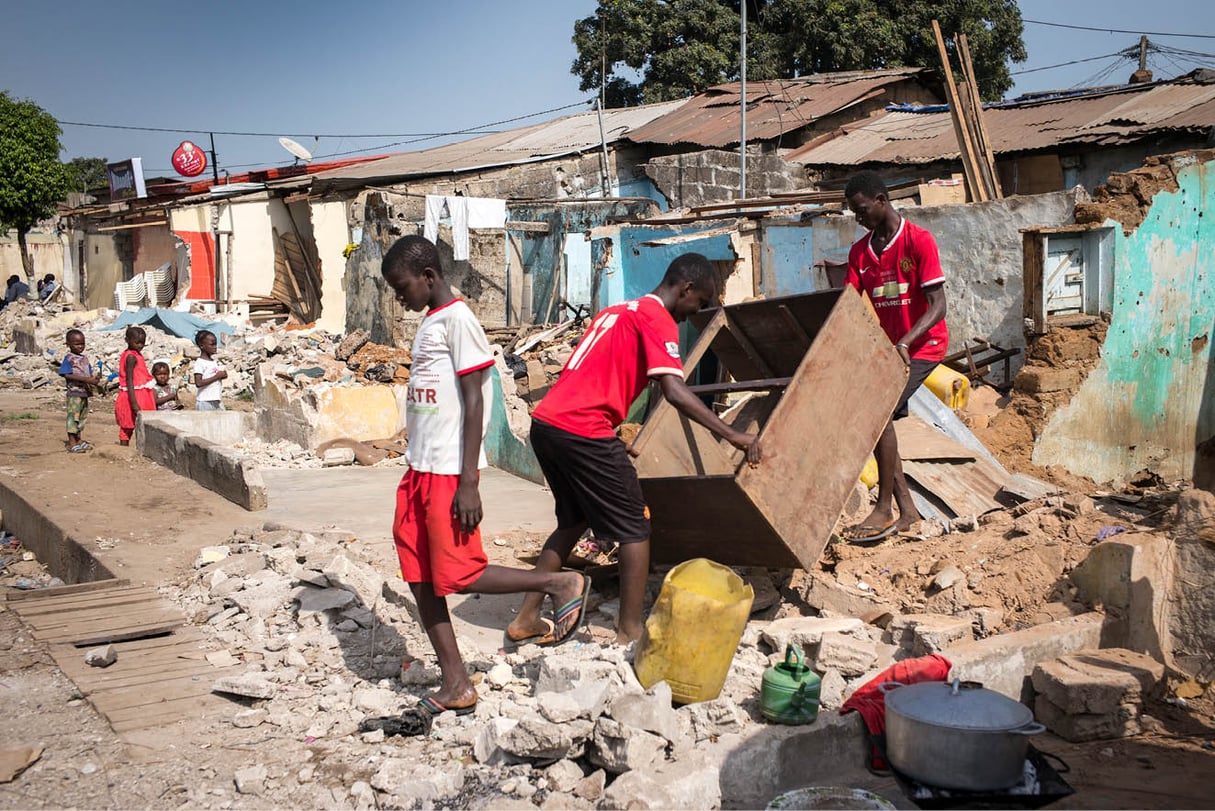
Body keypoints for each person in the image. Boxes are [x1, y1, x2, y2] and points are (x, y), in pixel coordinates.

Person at [377, 235, 589, 726]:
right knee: (419, 576)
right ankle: (456, 683)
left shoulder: (459, 321)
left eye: (402, 286)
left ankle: (558, 582)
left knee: (460, 572)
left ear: (428, 277)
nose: (399, 297)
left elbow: (475, 403)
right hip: (418, 469)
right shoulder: (432, 321)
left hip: (450, 473)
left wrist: (470, 480)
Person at [508, 252, 763, 646]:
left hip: (548, 425)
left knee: (573, 522)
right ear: (686, 288)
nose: (696, 311)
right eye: (701, 302)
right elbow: (675, 391)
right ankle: (630, 631)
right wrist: (734, 435)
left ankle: (526, 618)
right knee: (636, 527)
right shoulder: (657, 318)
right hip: (584, 429)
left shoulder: (617, 311)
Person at [835, 170, 948, 543]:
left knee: (878, 413)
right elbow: (848, 306)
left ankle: (884, 509)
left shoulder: (919, 241)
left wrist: (904, 342)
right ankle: (908, 512)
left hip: (924, 345)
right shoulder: (859, 253)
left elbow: (938, 306)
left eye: (863, 209)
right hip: (890, 350)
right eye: (854, 212)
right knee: (876, 416)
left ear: (881, 200)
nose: (859, 218)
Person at [59, 329, 100, 453]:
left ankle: (79, 439)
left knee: (82, 417)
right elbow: (66, 375)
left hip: (84, 393)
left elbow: (89, 373)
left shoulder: (85, 359)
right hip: (74, 393)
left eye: (82, 343)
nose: (80, 346)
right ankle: (72, 442)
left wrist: (94, 380)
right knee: (73, 417)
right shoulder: (69, 358)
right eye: (77, 344)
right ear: (68, 344)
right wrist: (85, 379)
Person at [114, 326, 156, 446]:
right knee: (128, 424)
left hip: (139, 393)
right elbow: (129, 380)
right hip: (135, 395)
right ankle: (124, 448)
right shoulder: (131, 357)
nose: (140, 345)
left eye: (142, 343)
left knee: (133, 423)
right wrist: (134, 402)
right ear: (127, 340)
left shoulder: (135, 354)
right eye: (137, 342)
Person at [192, 330, 226, 411]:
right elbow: (198, 383)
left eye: (216, 344)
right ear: (202, 346)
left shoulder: (213, 361)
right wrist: (217, 377)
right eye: (212, 344)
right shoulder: (200, 363)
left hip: (216, 400)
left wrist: (223, 375)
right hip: (205, 401)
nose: (215, 347)